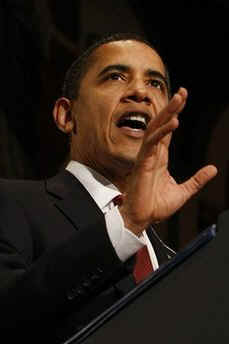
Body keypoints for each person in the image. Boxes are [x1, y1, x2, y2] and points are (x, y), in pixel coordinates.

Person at [0, 33, 217, 342]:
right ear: (66, 115)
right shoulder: (11, 203)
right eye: (115, 76)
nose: (141, 92)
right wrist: (126, 223)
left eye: (155, 83)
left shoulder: (176, 263)